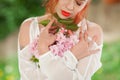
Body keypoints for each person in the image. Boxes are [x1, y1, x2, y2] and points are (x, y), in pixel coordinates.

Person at [18, 0, 103, 80]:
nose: (70, 7)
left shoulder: (91, 32)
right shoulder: (30, 27)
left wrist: (43, 49)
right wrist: (72, 56)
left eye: (79, 2)